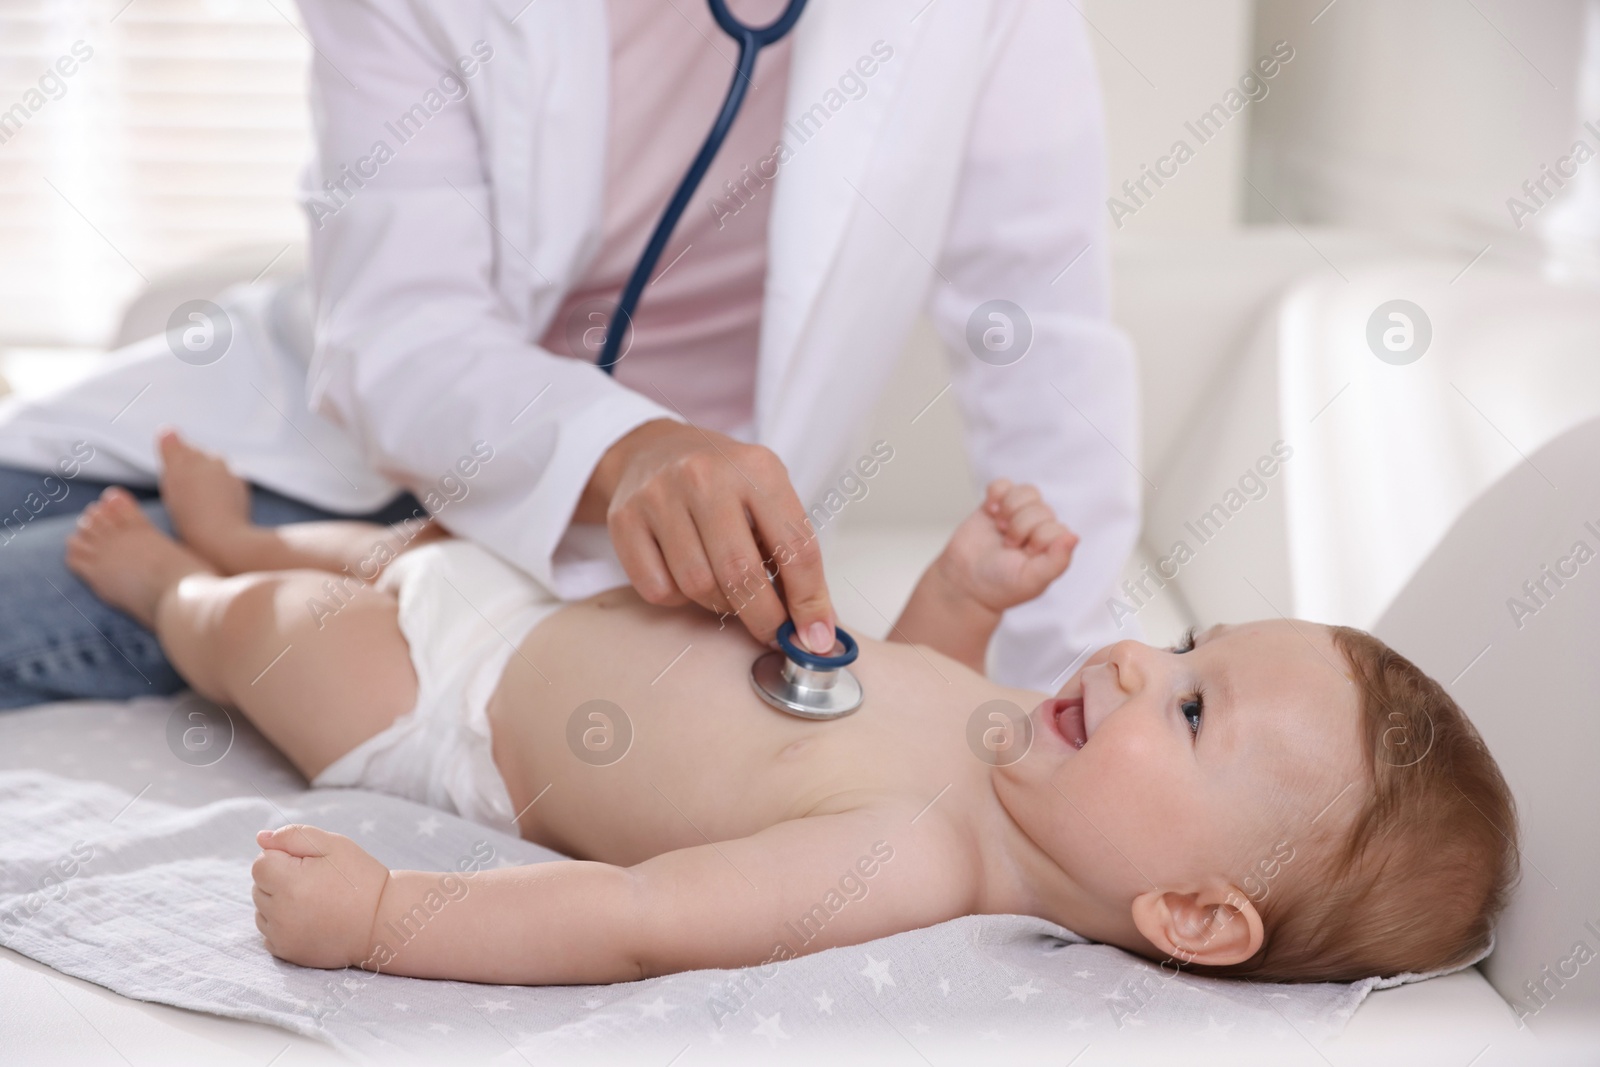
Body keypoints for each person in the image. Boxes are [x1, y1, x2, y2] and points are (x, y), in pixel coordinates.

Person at [0, 0, 1138, 707]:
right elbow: (402, 327)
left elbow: (1038, 335)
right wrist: (626, 447)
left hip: (592, 566)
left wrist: (1059, 696)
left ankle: (229, 553)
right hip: (328, 439)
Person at [64, 430, 1517, 984]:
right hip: (525, 607)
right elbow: (890, 671)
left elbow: (638, 917)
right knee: (392, 547)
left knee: (270, 636)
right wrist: (966, 585)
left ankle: (172, 583)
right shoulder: (1014, 731)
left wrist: (386, 920)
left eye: (1192, 711)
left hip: (451, 710)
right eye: (1187, 645)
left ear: (1197, 911)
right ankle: (254, 530)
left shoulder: (907, 858)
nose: (1139, 660)